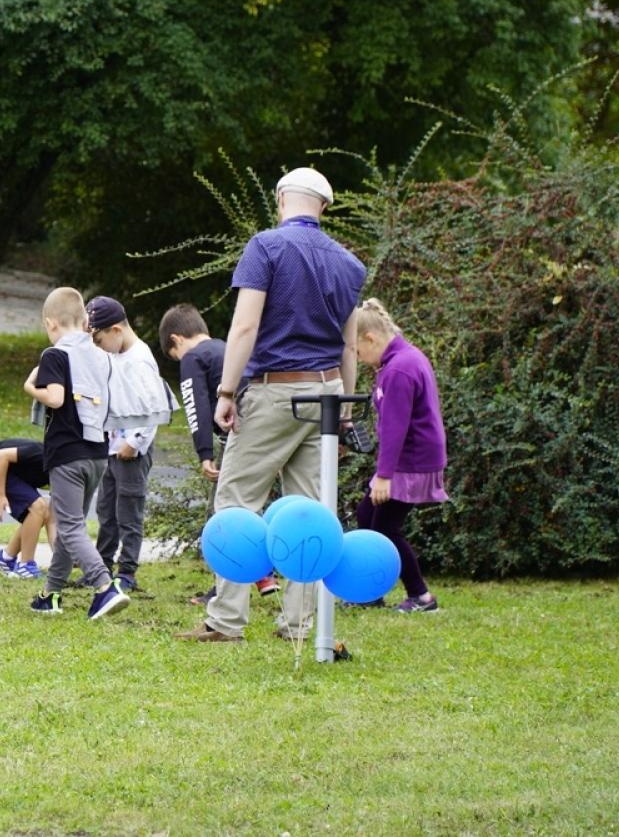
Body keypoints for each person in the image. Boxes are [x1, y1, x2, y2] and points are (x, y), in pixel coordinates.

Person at [178, 166, 366, 645]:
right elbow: (348, 347)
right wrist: (344, 412)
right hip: (327, 392)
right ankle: (299, 625)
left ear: (281, 199)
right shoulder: (350, 264)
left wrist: (225, 392)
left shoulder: (265, 246)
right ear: (324, 207)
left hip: (275, 390)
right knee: (309, 513)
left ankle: (226, 621)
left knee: (236, 502)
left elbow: (244, 328)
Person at [157, 302, 279, 605]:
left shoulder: (193, 357)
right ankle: (264, 574)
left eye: (174, 355)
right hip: (264, 429)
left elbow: (196, 407)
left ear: (176, 339)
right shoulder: (225, 348)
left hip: (236, 437)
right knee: (248, 504)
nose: (179, 360)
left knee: (222, 512)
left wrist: (204, 453)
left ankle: (226, 589)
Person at [23, 287, 130, 621]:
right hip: (97, 452)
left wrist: (30, 388)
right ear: (85, 321)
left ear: (50, 323)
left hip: (67, 453)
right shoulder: (101, 356)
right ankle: (50, 594)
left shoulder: (55, 355)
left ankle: (105, 586)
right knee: (73, 525)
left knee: (68, 527)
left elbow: (55, 398)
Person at [354, 299, 448, 613]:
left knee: (385, 529)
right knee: (366, 516)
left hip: (411, 463)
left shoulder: (399, 369)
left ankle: (421, 597)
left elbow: (396, 429)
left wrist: (384, 477)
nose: (359, 359)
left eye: (358, 351)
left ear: (370, 338)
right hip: (406, 460)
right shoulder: (400, 361)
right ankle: (370, 593)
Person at [86, 296, 175, 593]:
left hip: (131, 451)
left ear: (116, 330)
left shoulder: (140, 359)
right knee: (106, 510)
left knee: (129, 511)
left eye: (99, 340)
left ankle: (127, 571)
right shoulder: (114, 355)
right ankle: (102, 566)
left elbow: (153, 406)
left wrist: (135, 442)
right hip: (111, 446)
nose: (98, 347)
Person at [0, 438, 51, 579]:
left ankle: (5, 558)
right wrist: (0, 495)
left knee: (44, 511)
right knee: (38, 507)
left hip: (13, 473)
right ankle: (25, 566)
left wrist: (62, 560)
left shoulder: (63, 472)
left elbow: (54, 520)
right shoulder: (41, 453)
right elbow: (2, 455)